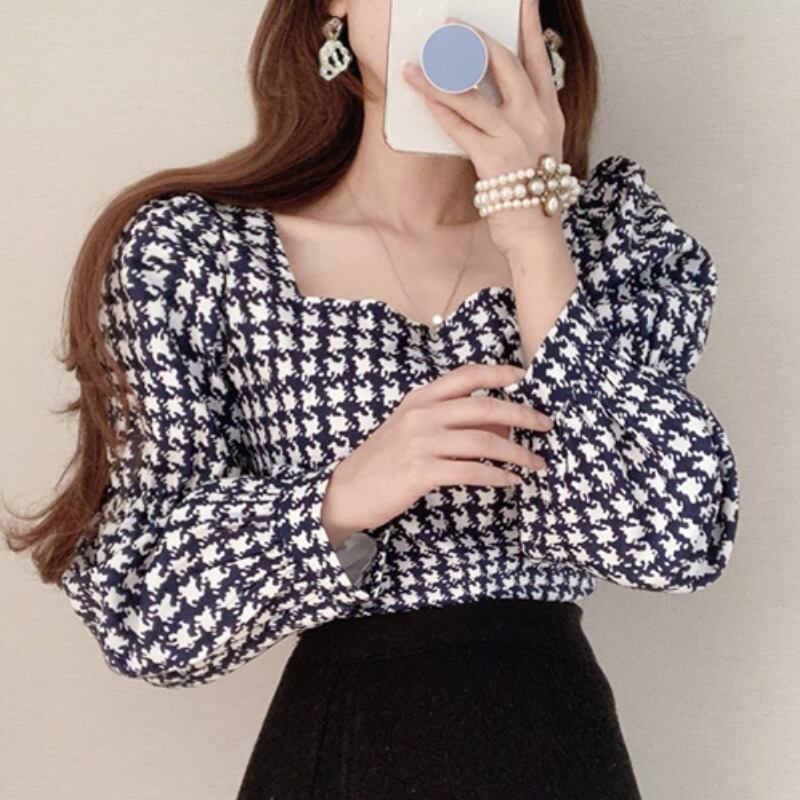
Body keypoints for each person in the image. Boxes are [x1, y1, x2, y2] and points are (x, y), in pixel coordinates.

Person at [5, 1, 740, 797]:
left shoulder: (611, 243)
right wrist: (339, 498)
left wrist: (532, 234)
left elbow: (666, 543)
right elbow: (144, 611)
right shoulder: (197, 255)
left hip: (554, 746)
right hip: (345, 748)